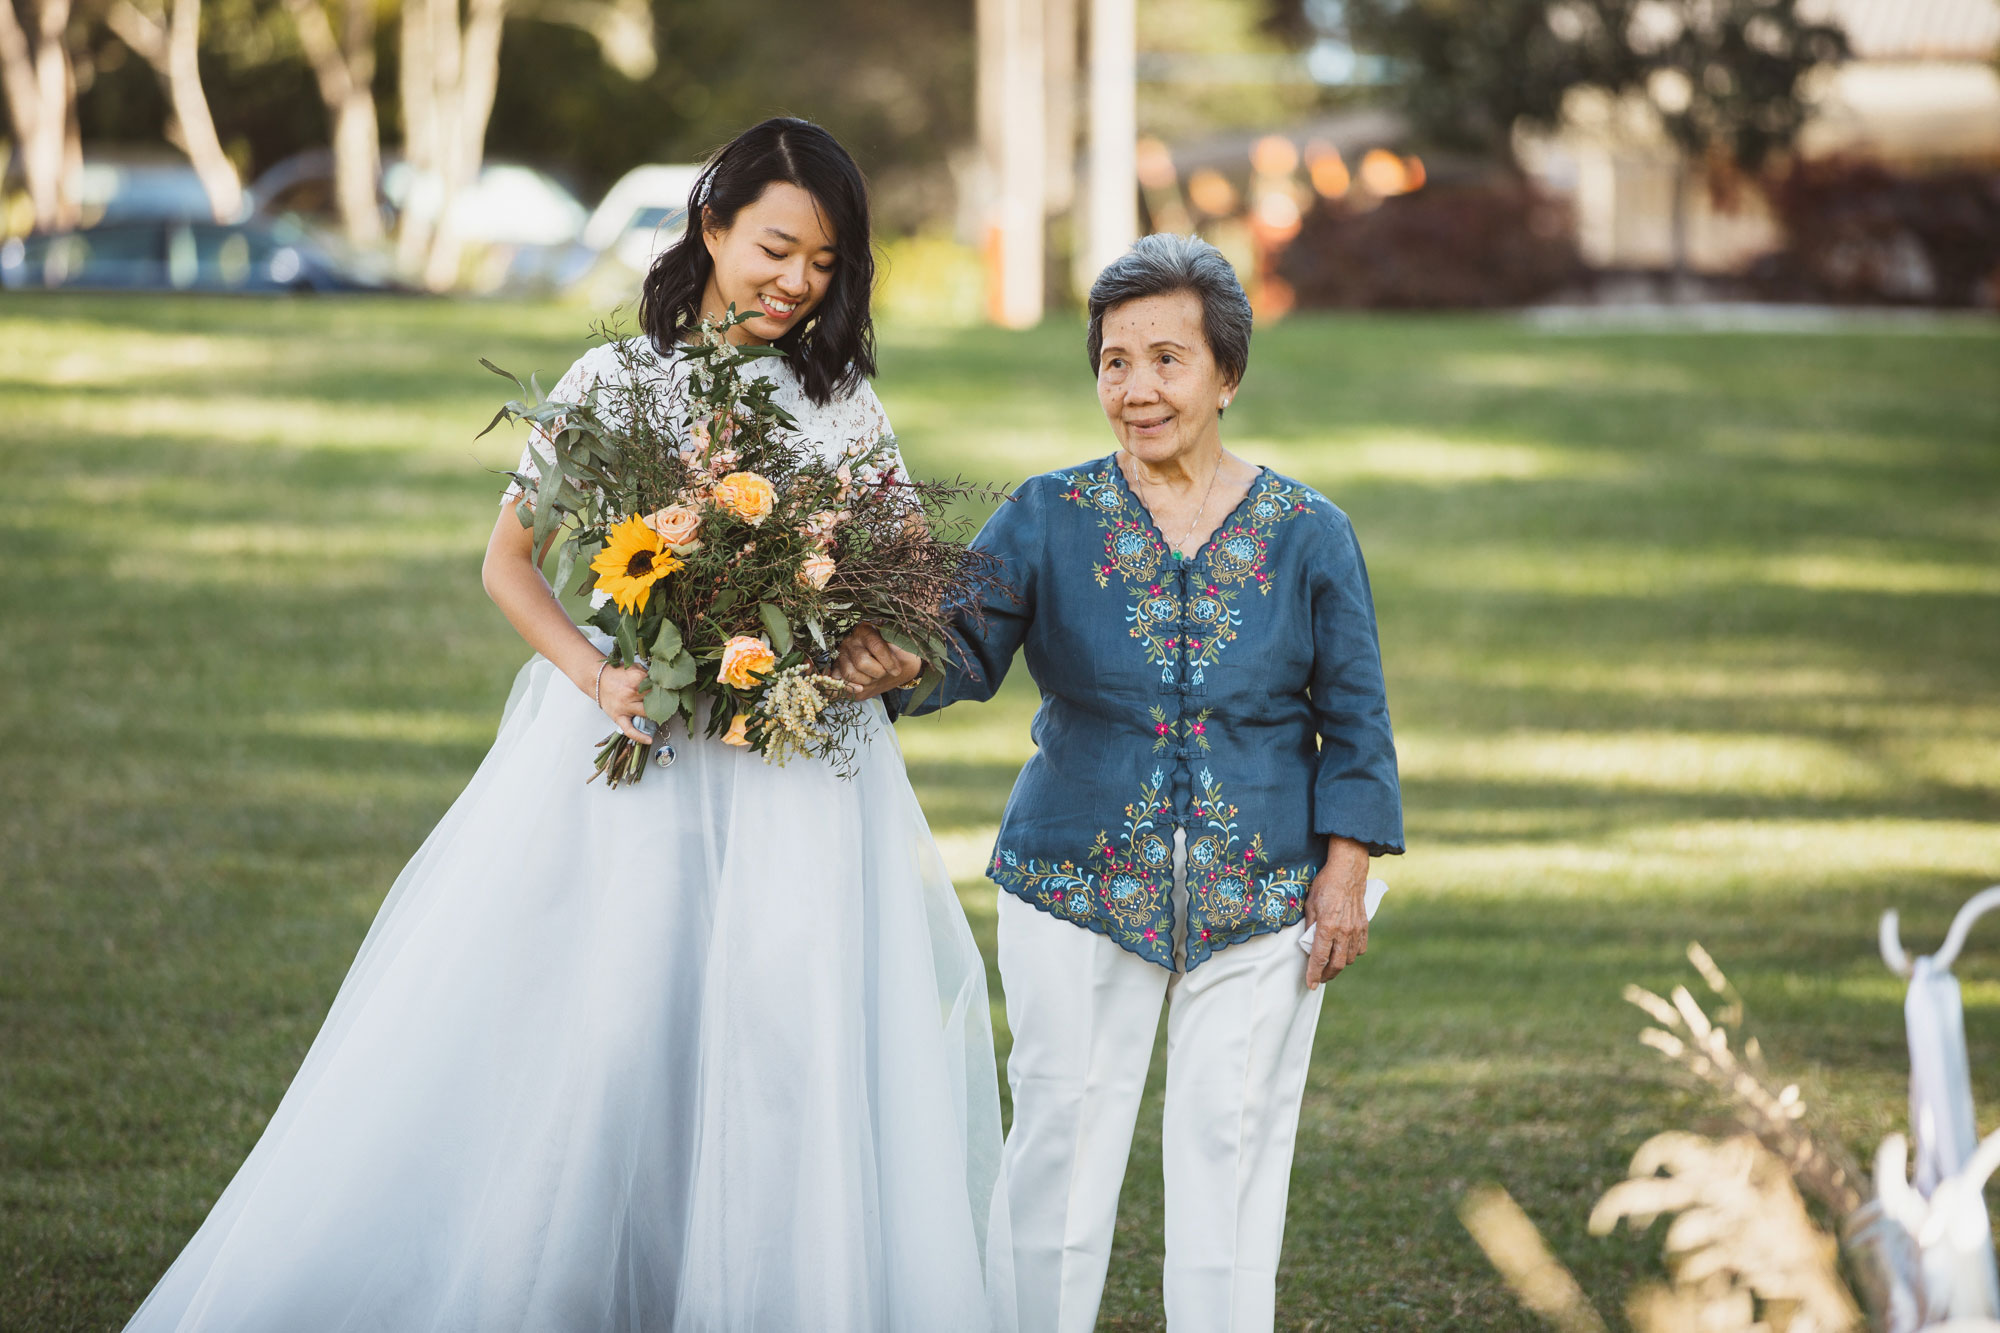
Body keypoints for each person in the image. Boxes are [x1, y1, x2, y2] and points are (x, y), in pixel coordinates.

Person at [123, 118, 1012, 1333]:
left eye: (824, 265)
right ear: (710, 226)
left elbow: (907, 596)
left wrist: (882, 649)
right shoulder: (614, 383)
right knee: (614, 1026)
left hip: (798, 774)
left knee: (781, 1033)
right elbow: (508, 565)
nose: (797, 284)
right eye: (774, 248)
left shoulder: (842, 401)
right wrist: (600, 678)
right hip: (635, 757)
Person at [839, 232, 1403, 1332]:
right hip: (1072, 879)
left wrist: (1343, 874)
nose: (1135, 388)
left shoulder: (1309, 534)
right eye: (1112, 361)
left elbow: (1357, 721)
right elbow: (957, 648)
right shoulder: (1046, 515)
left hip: (1263, 896)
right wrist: (895, 660)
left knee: (1234, 1151)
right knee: (1059, 1142)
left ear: (1225, 375)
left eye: (1166, 359)